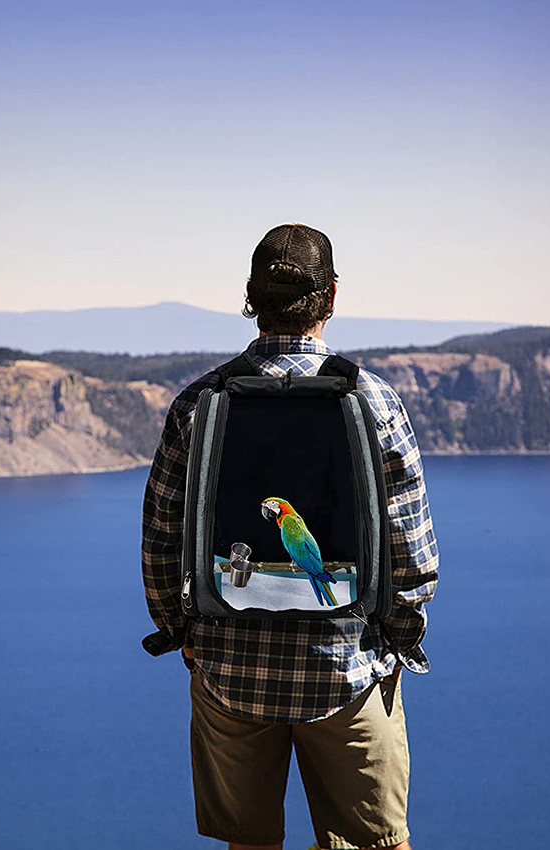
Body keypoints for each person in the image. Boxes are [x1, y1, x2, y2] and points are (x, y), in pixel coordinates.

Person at [142, 223, 439, 850]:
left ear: (250, 296)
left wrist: (184, 637)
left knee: (250, 843)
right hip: (348, 669)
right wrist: (395, 641)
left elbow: (161, 541)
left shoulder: (198, 405)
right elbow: (413, 557)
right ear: (330, 297)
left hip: (228, 671)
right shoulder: (374, 403)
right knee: (371, 844)